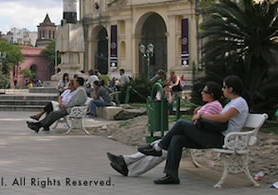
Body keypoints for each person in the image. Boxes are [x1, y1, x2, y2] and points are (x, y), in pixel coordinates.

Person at [106, 76, 247, 184]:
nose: (222, 89)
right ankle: (171, 175)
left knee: (180, 124)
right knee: (176, 139)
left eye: (224, 87)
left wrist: (202, 115)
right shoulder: (233, 102)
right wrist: (200, 114)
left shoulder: (239, 102)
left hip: (222, 139)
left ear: (231, 89)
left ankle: (156, 148)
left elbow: (222, 119)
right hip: (215, 136)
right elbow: (220, 117)